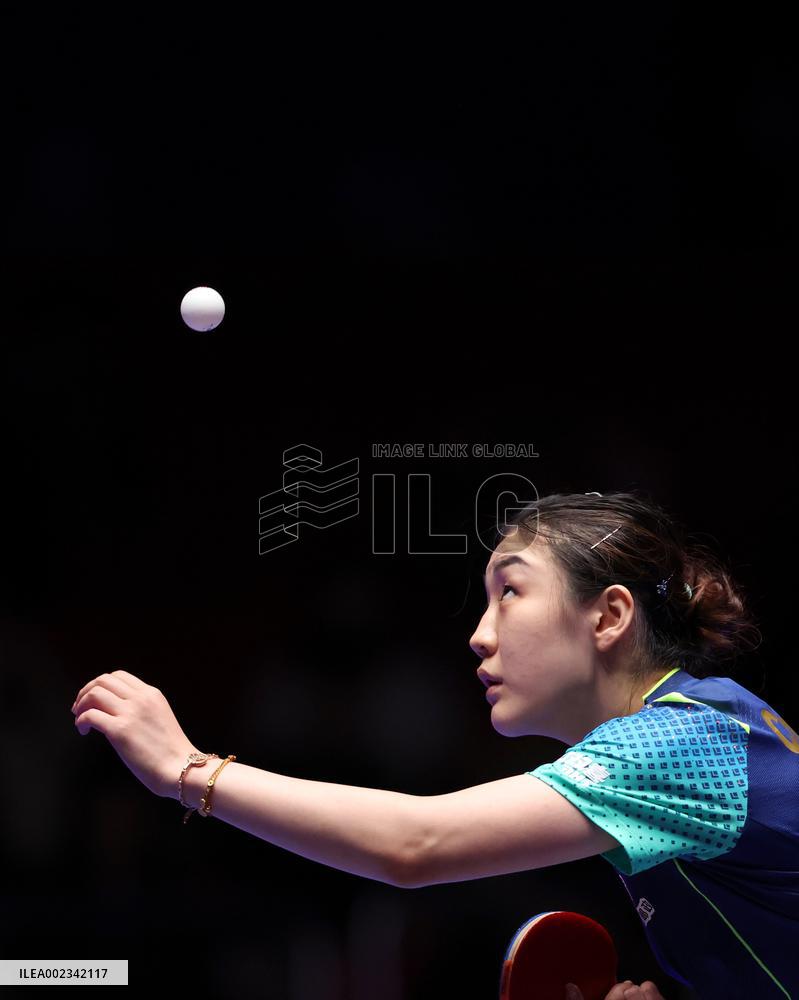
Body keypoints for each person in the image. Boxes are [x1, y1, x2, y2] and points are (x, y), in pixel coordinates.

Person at [71, 491, 798, 999]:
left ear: (607, 614)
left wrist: (186, 770)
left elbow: (415, 844)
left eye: (509, 592)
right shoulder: (708, 727)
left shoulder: (680, 742)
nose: (479, 634)